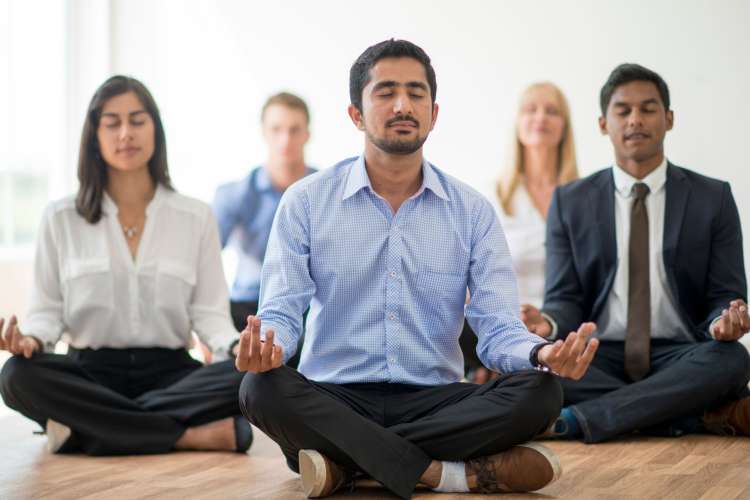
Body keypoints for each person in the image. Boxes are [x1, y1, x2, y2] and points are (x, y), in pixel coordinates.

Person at [235, 39, 598, 499]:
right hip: (333, 397)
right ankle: (443, 474)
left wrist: (541, 353)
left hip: (434, 401)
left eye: (416, 93)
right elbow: (283, 312)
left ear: (434, 112)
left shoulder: (472, 211)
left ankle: (347, 466)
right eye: (385, 92)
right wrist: (269, 349)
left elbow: (497, 327)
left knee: (542, 392)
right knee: (259, 389)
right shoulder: (306, 202)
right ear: (356, 115)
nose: (403, 105)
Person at [0, 76, 251, 455]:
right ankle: (186, 435)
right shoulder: (60, 217)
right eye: (112, 122)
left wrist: (237, 348)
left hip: (171, 373)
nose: (125, 133)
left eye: (137, 120)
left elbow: (210, 315)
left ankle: (84, 431)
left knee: (255, 378)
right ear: (95, 136)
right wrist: (30, 340)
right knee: (17, 376)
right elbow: (47, 312)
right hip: (89, 374)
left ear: (155, 129)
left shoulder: (195, 216)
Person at [522, 63, 750, 444]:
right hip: (599, 354)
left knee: (733, 359)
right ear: (602, 123)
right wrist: (547, 324)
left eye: (648, 109)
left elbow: (724, 294)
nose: (635, 120)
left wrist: (722, 322)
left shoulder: (713, 198)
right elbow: (565, 299)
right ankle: (690, 416)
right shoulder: (571, 202)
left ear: (669, 118)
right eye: (623, 111)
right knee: (533, 370)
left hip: (680, 355)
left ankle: (578, 420)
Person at [464, 82, 579, 384]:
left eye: (552, 111)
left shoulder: (585, 198)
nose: (540, 117)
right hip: (505, 324)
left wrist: (548, 322)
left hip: (564, 325)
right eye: (531, 109)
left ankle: (506, 380)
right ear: (517, 123)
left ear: (564, 126)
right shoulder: (492, 197)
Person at [213, 92, 316, 332]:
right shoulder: (234, 194)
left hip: (308, 308)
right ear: (263, 133)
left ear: (307, 134)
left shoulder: (326, 192)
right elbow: (203, 260)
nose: (285, 139)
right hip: (248, 306)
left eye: (294, 130)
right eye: (276, 129)